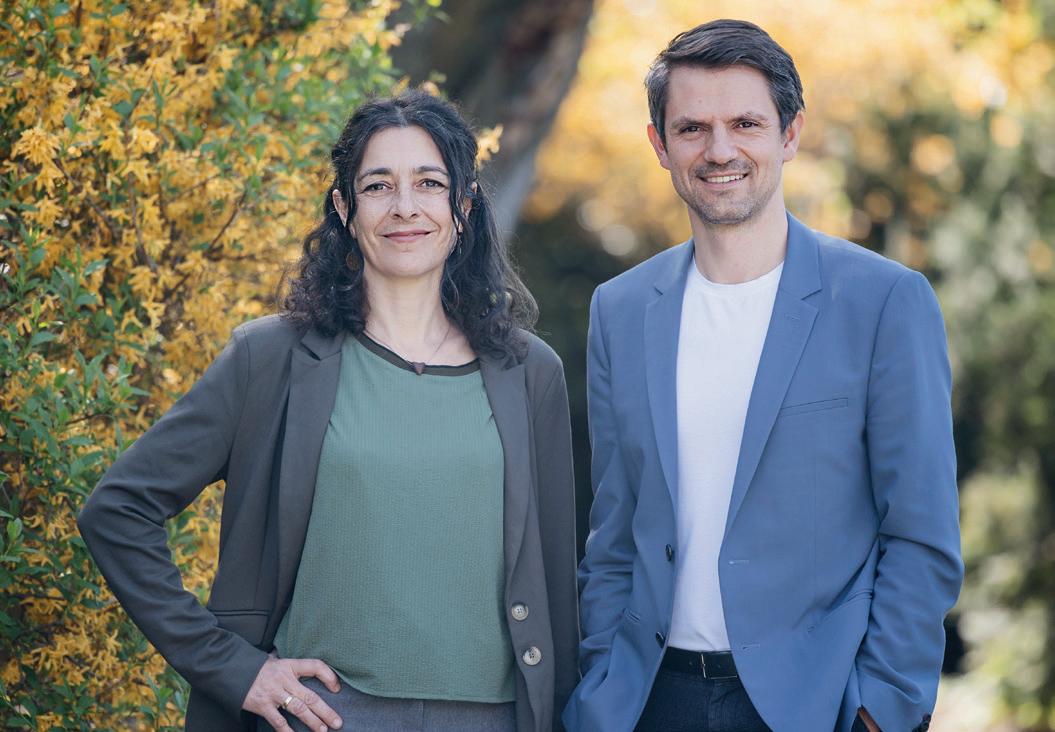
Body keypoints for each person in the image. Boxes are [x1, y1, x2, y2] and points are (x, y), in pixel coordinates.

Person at [78, 90, 578, 732]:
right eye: (378, 186)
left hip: (497, 720)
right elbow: (118, 510)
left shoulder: (530, 373)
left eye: (429, 183)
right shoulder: (270, 358)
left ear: (464, 205)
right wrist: (232, 667)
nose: (405, 207)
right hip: (325, 716)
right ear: (345, 207)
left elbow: (557, 585)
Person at [563, 19, 962, 732]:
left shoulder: (882, 302)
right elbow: (613, 533)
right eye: (691, 129)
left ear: (790, 132)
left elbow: (920, 531)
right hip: (648, 700)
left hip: (816, 706)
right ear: (659, 145)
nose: (719, 150)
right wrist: (601, 678)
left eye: (745, 123)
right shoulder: (619, 310)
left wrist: (880, 710)